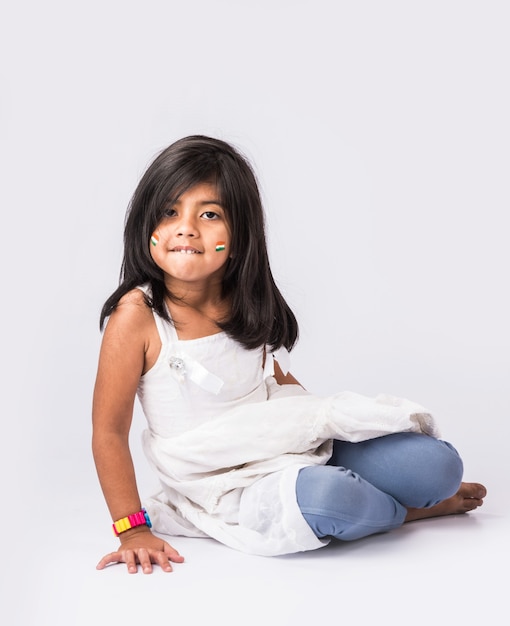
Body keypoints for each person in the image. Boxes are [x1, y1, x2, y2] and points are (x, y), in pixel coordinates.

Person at [92, 135, 486, 574]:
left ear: (239, 237)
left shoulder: (243, 299)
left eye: (209, 214)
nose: (186, 227)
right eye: (169, 212)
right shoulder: (138, 316)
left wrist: (320, 432)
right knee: (332, 499)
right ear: (147, 223)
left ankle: (391, 497)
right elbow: (109, 430)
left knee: (438, 466)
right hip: (220, 479)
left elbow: (274, 379)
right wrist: (132, 529)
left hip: (280, 440)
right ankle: (409, 512)